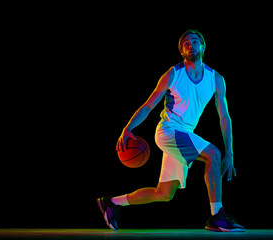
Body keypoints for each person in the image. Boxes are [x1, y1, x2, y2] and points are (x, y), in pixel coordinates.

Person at [97, 29, 245, 232]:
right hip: (168, 131)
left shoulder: (216, 79)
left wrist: (231, 152)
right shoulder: (173, 74)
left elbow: (224, 117)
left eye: (194, 41)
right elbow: (149, 106)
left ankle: (111, 203)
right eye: (185, 43)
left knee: (164, 193)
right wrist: (127, 128)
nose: (190, 45)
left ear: (203, 46)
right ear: (181, 51)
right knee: (213, 155)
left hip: (184, 133)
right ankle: (216, 216)